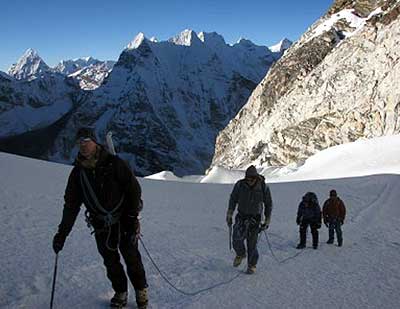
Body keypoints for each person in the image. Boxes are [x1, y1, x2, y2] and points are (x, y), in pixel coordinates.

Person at [52, 127, 148, 309]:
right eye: (80, 142)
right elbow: (71, 206)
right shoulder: (78, 174)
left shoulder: (114, 164)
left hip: (124, 220)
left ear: (95, 142)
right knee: (111, 262)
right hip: (101, 224)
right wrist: (62, 234)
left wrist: (131, 216)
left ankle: (141, 290)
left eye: (87, 141)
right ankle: (121, 292)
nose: (83, 145)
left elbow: (133, 189)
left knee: (131, 257)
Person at [226, 165, 273, 274]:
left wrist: (267, 220)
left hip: (255, 219)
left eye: (251, 179)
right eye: (247, 179)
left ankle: (252, 265)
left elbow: (268, 204)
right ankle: (241, 253)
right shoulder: (240, 185)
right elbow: (233, 199)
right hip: (241, 216)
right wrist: (229, 213)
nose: (249, 181)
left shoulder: (263, 187)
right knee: (236, 239)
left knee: (252, 244)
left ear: (256, 178)